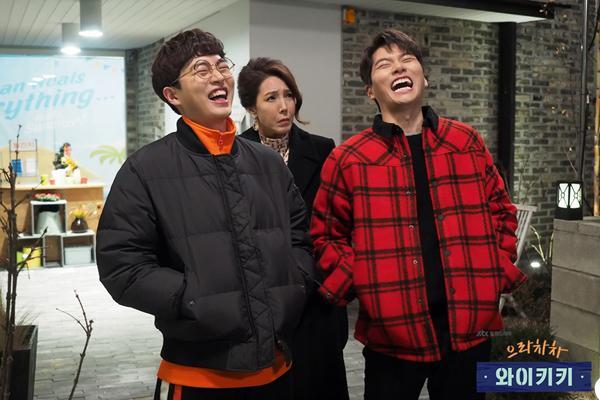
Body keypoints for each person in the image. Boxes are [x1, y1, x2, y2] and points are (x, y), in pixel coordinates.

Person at [96, 29, 315, 400]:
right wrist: (192, 298)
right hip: (199, 375)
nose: (218, 76)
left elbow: (299, 237)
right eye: (201, 69)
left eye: (221, 66)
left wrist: (294, 284)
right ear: (173, 95)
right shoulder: (145, 169)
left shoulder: (267, 163)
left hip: (278, 365)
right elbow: (122, 265)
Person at [310, 29, 527, 400]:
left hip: (469, 329)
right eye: (384, 64)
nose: (399, 67)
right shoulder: (349, 159)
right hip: (391, 337)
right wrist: (362, 281)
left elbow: (502, 213)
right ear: (370, 90)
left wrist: (494, 270)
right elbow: (326, 237)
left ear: (424, 77)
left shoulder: (466, 142)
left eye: (407, 59)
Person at [238, 57, 349, 400]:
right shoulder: (233, 155)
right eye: (271, 98)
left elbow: (337, 223)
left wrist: (332, 282)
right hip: (262, 299)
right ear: (251, 108)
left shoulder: (322, 149)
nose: (284, 106)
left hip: (316, 296)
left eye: (289, 95)